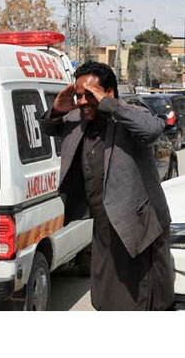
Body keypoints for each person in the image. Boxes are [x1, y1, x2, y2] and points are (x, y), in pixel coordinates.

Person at [39, 61, 175, 310]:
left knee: (140, 303)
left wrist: (109, 104)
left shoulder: (127, 115)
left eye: (89, 95)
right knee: (104, 299)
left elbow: (152, 129)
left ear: (109, 92)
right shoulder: (81, 120)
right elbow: (50, 127)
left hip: (138, 230)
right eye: (79, 95)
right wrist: (57, 110)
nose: (82, 102)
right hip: (105, 231)